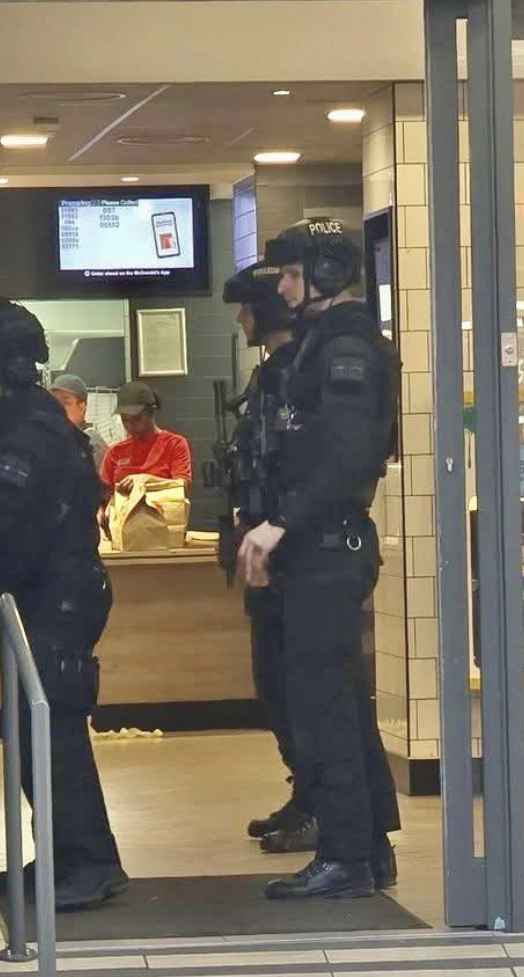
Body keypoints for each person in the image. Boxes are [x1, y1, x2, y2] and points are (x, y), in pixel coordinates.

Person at [238, 217, 402, 901]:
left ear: (327, 276)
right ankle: (366, 846)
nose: (281, 285)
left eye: (293, 272)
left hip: (327, 547)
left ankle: (345, 858)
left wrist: (279, 523)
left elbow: (348, 457)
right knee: (335, 703)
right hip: (317, 545)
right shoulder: (318, 346)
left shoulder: (348, 352)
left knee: (322, 708)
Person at [0, 298, 127, 911]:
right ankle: (68, 856)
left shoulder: (27, 432)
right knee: (43, 734)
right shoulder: (20, 422)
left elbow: (0, 525)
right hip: (48, 598)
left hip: (54, 601)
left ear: (10, 365)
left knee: (53, 734)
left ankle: (86, 864)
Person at [220, 260, 316, 855]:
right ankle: (304, 792)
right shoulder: (271, 374)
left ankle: (319, 803)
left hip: (293, 553)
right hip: (266, 551)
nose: (240, 319)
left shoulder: (297, 375)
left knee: (297, 688)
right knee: (273, 685)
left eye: (247, 308)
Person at [99, 381, 192, 490]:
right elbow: (101, 494)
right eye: (125, 419)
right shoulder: (115, 452)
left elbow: (181, 485)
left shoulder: (174, 444)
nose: (130, 425)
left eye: (136, 418)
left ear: (151, 413)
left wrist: (146, 480)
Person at [50, 374, 109, 472]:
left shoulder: (93, 446)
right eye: (55, 402)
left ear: (82, 407)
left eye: (65, 402)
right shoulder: (53, 440)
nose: (58, 407)